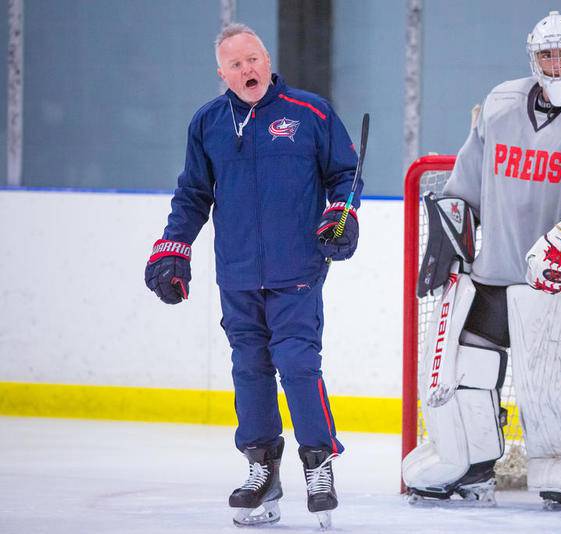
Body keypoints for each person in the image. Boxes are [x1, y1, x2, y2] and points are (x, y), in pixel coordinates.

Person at [402, 11, 561, 508]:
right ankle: (470, 465)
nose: (556, 64)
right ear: (532, 57)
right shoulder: (500, 103)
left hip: (560, 280)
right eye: (547, 55)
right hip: (494, 268)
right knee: (466, 367)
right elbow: (467, 177)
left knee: (556, 378)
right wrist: (452, 235)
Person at [144, 23, 362, 528]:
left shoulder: (310, 112)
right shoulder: (208, 123)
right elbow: (193, 194)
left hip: (298, 268)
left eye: (254, 59)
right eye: (236, 64)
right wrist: (172, 247)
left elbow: (344, 176)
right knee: (250, 370)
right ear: (222, 74)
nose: (248, 69)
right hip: (238, 272)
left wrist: (341, 214)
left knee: (297, 363)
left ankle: (318, 463)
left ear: (268, 61)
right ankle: (261, 469)